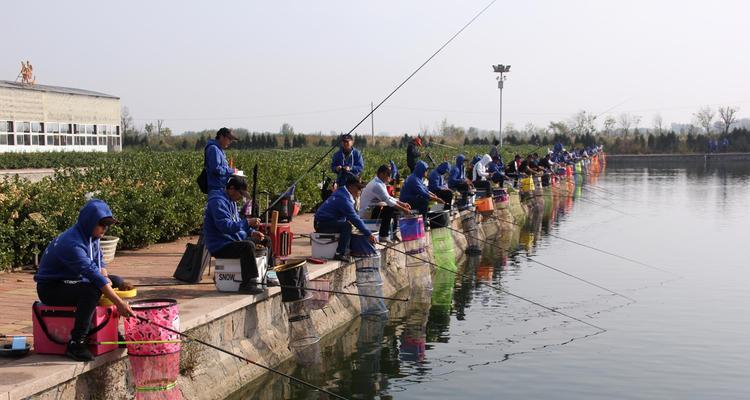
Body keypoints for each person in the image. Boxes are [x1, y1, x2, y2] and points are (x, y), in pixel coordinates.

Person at [35, 199, 135, 362]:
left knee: (116, 281)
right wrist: (119, 303)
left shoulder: (91, 235)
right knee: (92, 290)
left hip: (71, 281)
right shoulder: (72, 244)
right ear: (90, 222)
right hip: (51, 288)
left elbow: (99, 261)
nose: (105, 229)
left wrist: (105, 273)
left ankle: (107, 330)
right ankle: (76, 343)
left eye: (108, 225)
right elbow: (92, 275)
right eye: (102, 225)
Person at [204, 177, 273, 295]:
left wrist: (251, 232)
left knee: (266, 240)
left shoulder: (232, 202)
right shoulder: (217, 202)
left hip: (232, 240)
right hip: (220, 245)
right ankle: (248, 284)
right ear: (231, 189)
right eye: (240, 193)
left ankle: (268, 274)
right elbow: (226, 227)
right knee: (247, 246)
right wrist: (247, 222)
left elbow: (237, 223)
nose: (241, 197)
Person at [315, 174, 376, 262]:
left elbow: (354, 216)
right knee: (347, 226)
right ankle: (340, 253)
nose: (360, 191)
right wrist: (368, 234)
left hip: (330, 221)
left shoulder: (343, 192)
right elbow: (354, 218)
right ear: (351, 187)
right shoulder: (343, 198)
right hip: (322, 224)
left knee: (348, 225)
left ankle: (347, 250)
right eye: (359, 188)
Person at [359, 165, 412, 243]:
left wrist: (402, 204)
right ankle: (383, 235)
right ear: (381, 174)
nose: (389, 177)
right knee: (390, 208)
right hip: (366, 213)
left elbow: (389, 197)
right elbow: (388, 201)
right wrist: (404, 210)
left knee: (394, 208)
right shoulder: (376, 185)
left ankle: (393, 233)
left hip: (372, 209)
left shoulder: (380, 183)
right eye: (388, 174)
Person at [204, 127, 238, 192]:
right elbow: (216, 169)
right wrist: (232, 171)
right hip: (216, 188)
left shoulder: (219, 150)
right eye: (229, 139)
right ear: (221, 137)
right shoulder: (213, 149)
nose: (230, 142)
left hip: (221, 187)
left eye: (231, 140)